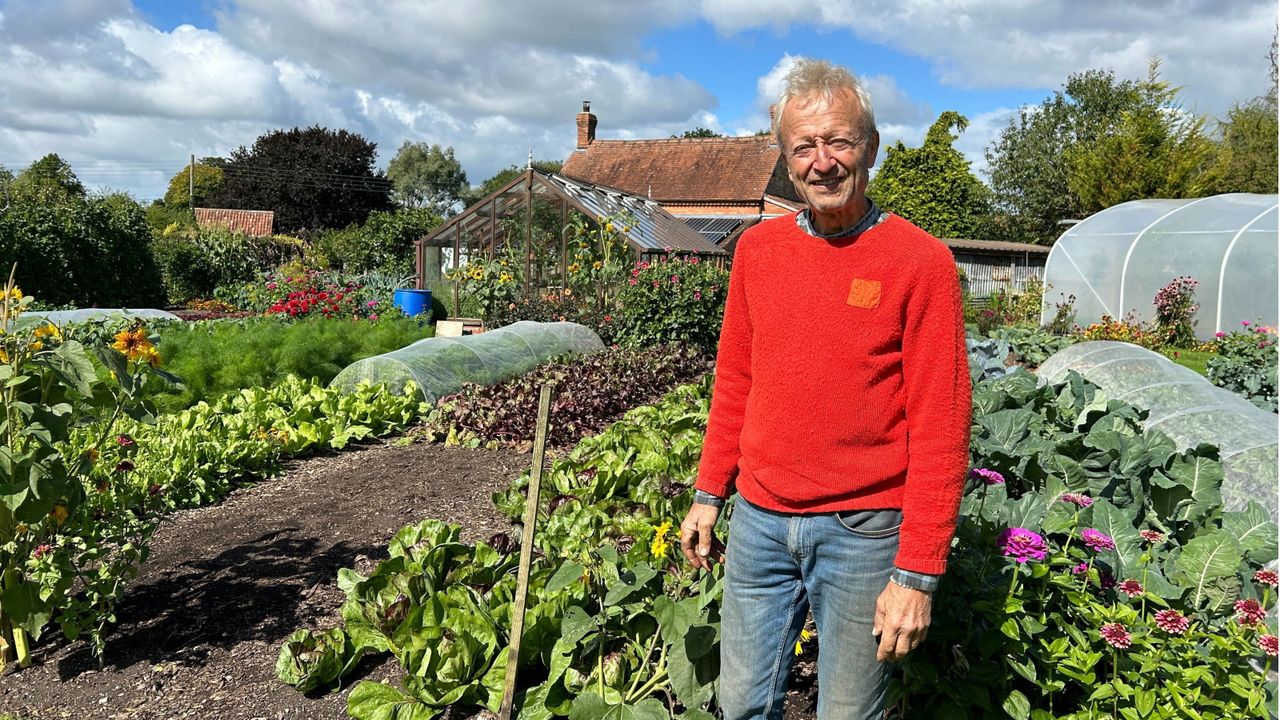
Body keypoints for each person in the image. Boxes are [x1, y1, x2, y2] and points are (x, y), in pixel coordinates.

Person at [679, 58, 972, 720]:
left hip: (864, 534)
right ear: (785, 158)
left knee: (848, 713)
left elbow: (941, 426)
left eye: (838, 141)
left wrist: (918, 574)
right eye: (803, 146)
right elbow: (736, 382)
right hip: (758, 521)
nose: (823, 162)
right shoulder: (758, 251)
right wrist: (708, 494)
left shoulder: (920, 263)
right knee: (738, 705)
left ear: (869, 146)